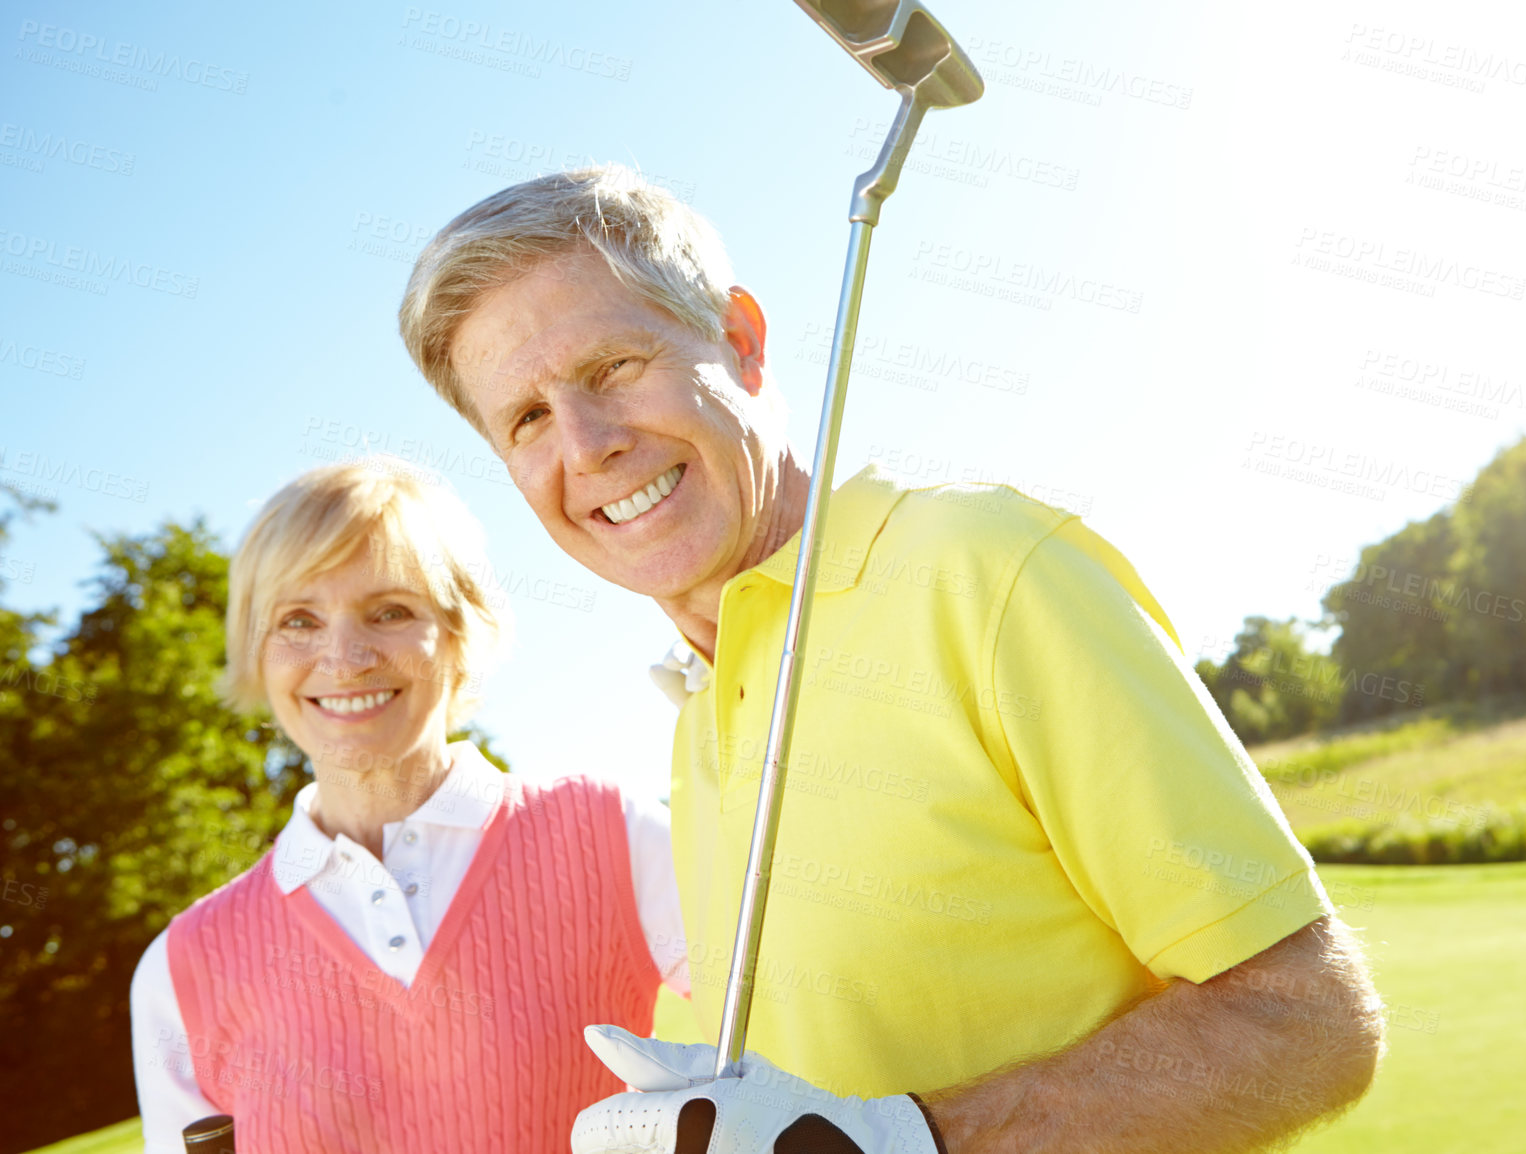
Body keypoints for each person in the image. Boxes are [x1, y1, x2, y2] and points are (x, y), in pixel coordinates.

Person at [398, 167, 1385, 1154]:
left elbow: (1307, 1018)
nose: (586, 443)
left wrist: (897, 1138)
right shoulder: (699, 710)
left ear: (741, 342)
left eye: (614, 364)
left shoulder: (985, 567)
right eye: (526, 417)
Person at [129, 460, 688, 1153]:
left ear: (459, 633)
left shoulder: (612, 836)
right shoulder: (182, 968)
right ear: (258, 654)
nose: (344, 657)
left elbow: (796, 1050)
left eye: (389, 611)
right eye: (297, 620)